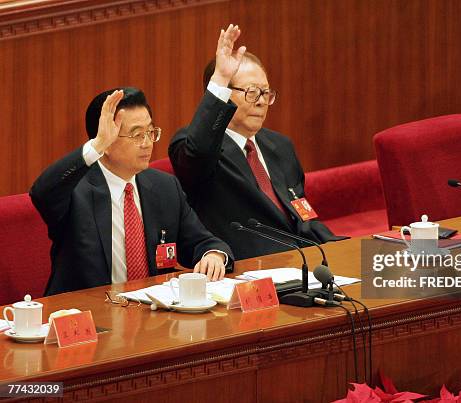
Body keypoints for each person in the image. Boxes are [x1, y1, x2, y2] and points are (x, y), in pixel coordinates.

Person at [31, 88, 233, 296]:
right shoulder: (76, 192)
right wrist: (96, 146)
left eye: (150, 132)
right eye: (137, 135)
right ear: (106, 142)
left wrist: (214, 255)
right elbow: (42, 192)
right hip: (90, 315)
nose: (147, 143)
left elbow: (201, 241)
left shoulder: (164, 187)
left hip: (153, 312)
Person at [169, 24, 346, 260]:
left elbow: (302, 214)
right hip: (250, 268)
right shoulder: (194, 146)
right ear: (224, 94)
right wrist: (220, 78)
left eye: (266, 93)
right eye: (251, 92)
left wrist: (338, 248)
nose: (261, 102)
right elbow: (198, 152)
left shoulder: (280, 146)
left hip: (304, 261)